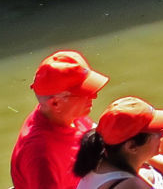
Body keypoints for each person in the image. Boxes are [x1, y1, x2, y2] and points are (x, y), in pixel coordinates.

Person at [12, 50, 111, 189]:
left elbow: (103, 139)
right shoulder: (41, 156)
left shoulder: (68, 116)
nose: (94, 96)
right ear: (55, 103)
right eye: (85, 92)